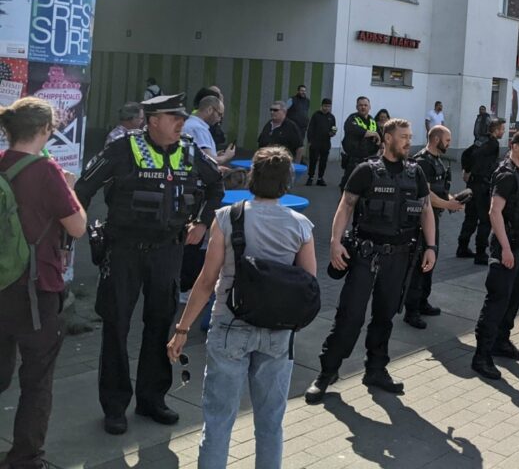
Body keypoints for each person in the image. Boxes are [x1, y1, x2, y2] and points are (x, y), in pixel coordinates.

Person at [74, 94, 224, 435]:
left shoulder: (189, 151)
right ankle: (114, 407)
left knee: (159, 324)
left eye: (183, 118)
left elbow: (215, 184)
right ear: (153, 120)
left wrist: (201, 223)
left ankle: (152, 399)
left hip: (167, 252)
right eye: (175, 118)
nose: (181, 124)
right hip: (123, 250)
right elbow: (84, 187)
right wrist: (73, 232)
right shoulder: (122, 149)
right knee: (116, 327)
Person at [167, 146, 315, 469]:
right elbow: (310, 284)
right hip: (278, 333)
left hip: (229, 327)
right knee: (270, 424)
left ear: (252, 178)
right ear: (287, 182)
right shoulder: (301, 226)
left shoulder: (228, 217)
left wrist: (182, 329)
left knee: (218, 422)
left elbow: (206, 281)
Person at [304, 119, 436, 404]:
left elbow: (426, 209)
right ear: (387, 138)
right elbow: (346, 205)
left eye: (410, 136)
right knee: (350, 316)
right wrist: (335, 242)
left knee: (385, 315)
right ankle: (327, 373)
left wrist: (432, 247)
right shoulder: (366, 170)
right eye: (403, 136)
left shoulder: (416, 173)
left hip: (400, 257)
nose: (408, 141)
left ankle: (376, 369)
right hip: (366, 255)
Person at [0, 98, 87, 469]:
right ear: (46, 130)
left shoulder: (1, 165)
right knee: (36, 379)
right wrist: (71, 189)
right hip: (35, 289)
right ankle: (25, 457)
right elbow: (78, 226)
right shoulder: (48, 172)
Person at [471, 130, 519, 381]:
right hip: (506, 246)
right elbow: (494, 212)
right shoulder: (506, 174)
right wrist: (506, 248)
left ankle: (501, 342)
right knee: (497, 300)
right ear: (514, 146)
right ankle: (481, 356)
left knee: (515, 296)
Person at [404, 126, 464, 329]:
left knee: (431, 260)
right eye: (447, 140)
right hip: (419, 222)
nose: (449, 143)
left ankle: (423, 302)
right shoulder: (421, 161)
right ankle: (411, 310)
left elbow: (440, 190)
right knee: (418, 264)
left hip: (433, 219)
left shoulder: (438, 160)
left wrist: (452, 200)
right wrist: (447, 204)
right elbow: (426, 194)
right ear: (436, 138)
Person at [458, 117, 505, 263]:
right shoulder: (492, 143)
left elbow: (466, 154)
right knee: (485, 220)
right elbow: (477, 156)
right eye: (502, 129)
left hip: (473, 184)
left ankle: (462, 247)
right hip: (483, 186)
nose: (503, 132)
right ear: (496, 130)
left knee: (470, 217)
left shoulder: (480, 139)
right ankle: (480, 253)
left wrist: (467, 170)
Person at [340, 97, 379, 189]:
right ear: (357, 107)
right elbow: (356, 130)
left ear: (369, 107)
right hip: (354, 160)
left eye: (365, 105)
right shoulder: (352, 118)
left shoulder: (372, 120)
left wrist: (381, 143)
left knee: (366, 186)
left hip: (369, 159)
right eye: (360, 105)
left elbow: (380, 137)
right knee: (348, 186)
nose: (363, 107)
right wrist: (373, 133)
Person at [184, 96, 235, 165]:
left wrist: (215, 154)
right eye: (219, 115)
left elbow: (199, 156)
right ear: (209, 110)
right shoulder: (199, 128)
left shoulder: (190, 123)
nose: (219, 119)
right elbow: (208, 161)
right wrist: (226, 156)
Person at [305, 98, 337, 187]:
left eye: (328, 106)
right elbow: (310, 128)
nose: (326, 108)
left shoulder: (332, 117)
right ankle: (310, 177)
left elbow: (334, 128)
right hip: (315, 142)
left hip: (326, 142)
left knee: (323, 161)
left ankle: (320, 178)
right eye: (325, 106)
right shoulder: (316, 115)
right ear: (322, 106)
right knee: (313, 160)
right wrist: (309, 141)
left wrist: (333, 133)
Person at [285, 85, 311, 163]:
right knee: (291, 143)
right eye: (301, 90)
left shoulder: (307, 101)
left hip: (302, 127)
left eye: (304, 90)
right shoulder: (292, 100)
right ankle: (289, 160)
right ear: (298, 91)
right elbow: (284, 110)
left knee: (299, 144)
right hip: (293, 127)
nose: (303, 92)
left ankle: (298, 160)